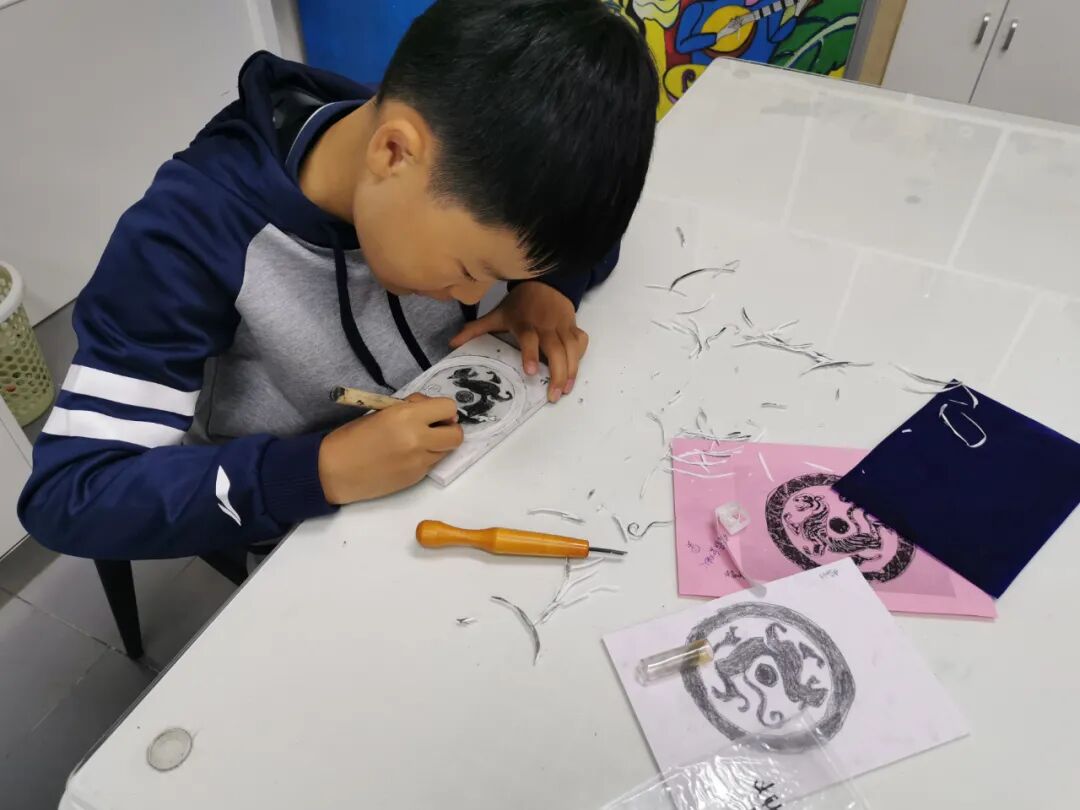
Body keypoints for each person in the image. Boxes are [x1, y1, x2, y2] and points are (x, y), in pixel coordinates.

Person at [18, 0, 658, 560]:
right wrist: (319, 471)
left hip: (462, 473)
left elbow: (577, 231)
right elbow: (71, 494)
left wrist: (544, 289)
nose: (473, 297)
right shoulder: (190, 234)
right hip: (310, 526)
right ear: (392, 153)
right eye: (471, 270)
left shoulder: (456, 148)